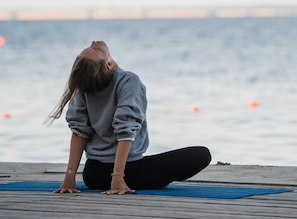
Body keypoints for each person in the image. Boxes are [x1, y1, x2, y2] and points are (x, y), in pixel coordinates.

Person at [47, 40, 211, 195]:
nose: (94, 43)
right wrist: (117, 177)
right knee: (202, 154)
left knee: (156, 165)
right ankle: (150, 180)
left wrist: (69, 178)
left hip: (93, 176)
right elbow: (125, 131)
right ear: (109, 65)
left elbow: (79, 132)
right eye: (96, 50)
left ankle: (151, 179)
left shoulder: (84, 83)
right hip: (128, 172)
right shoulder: (128, 80)